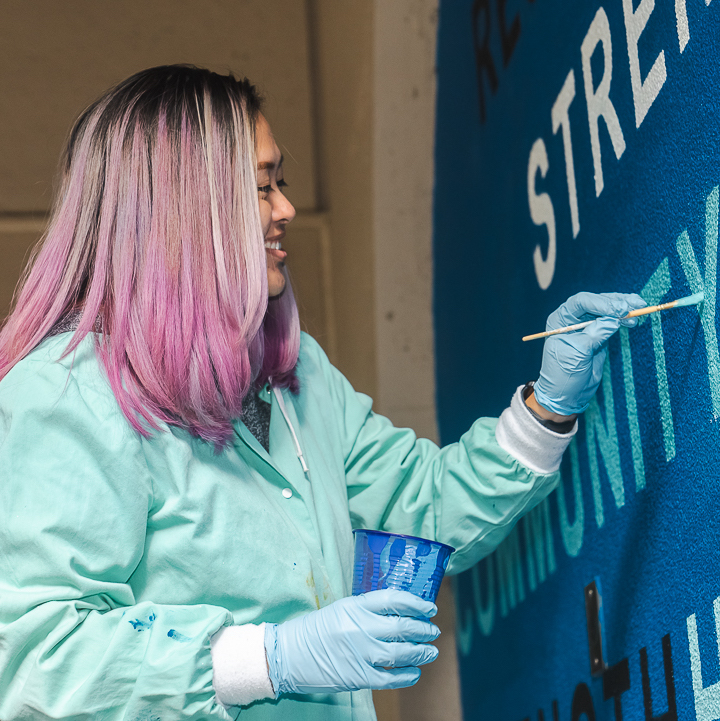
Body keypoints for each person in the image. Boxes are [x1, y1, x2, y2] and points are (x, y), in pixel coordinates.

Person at [0, 65, 645, 721]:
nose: (286, 208)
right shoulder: (65, 394)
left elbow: (419, 503)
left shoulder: (295, 374)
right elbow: (34, 657)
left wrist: (547, 408)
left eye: (281, 181)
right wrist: (270, 658)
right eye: (260, 187)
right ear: (181, 210)